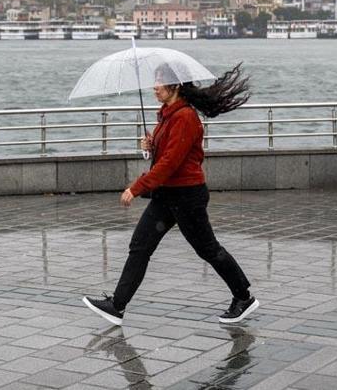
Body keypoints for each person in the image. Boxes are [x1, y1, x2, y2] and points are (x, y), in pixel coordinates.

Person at [83, 63, 259, 326]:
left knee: (208, 249)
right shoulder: (168, 115)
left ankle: (243, 297)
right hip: (167, 196)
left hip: (187, 196)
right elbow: (165, 155)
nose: (154, 87)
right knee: (140, 246)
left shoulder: (185, 117)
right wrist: (150, 145)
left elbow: (169, 164)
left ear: (175, 85)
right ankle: (117, 306)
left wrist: (136, 188)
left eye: (159, 81)